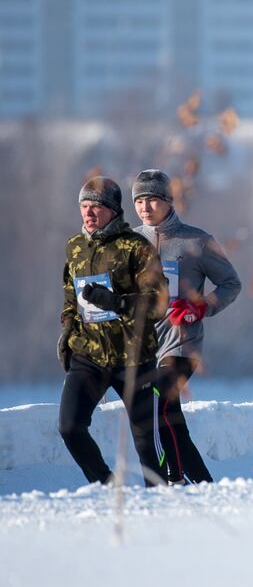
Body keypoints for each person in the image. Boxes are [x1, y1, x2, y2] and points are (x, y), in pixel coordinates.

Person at [131, 169, 242, 484]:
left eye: (152, 199)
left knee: (164, 405)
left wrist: (202, 306)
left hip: (182, 343)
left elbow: (231, 283)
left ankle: (176, 476)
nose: (145, 207)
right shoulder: (129, 242)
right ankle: (200, 483)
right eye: (139, 200)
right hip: (142, 346)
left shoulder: (197, 240)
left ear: (168, 200)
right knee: (164, 415)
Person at [57, 176, 168, 485]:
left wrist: (117, 302)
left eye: (96, 207)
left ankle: (158, 498)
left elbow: (159, 304)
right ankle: (107, 486)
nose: (89, 213)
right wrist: (67, 330)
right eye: (84, 206)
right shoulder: (75, 246)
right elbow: (70, 294)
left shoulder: (135, 247)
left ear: (114, 210)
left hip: (133, 356)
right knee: (70, 426)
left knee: (146, 439)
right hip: (89, 355)